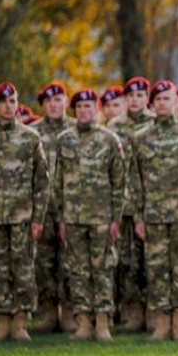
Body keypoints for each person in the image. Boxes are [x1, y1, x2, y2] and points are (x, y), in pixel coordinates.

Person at [128, 80, 178, 341]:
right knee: (157, 269)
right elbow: (135, 182)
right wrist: (138, 217)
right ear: (152, 104)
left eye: (167, 99)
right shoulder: (140, 138)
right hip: (153, 216)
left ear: (177, 102)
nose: (162, 103)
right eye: (158, 99)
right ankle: (162, 323)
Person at [53, 89, 125, 342]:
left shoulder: (109, 139)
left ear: (97, 109)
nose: (84, 110)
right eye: (80, 106)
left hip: (102, 217)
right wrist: (60, 217)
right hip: (73, 217)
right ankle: (83, 322)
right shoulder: (64, 140)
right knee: (77, 270)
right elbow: (57, 182)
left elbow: (119, 182)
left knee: (103, 268)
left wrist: (116, 217)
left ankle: (103, 322)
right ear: (74, 111)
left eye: (89, 106)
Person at [0, 83, 49, 342]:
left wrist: (38, 218)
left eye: (12, 101)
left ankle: (21, 323)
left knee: (23, 269)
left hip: (22, 217)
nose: (8, 106)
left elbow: (42, 182)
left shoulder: (30, 138)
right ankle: (2, 321)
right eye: (3, 102)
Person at [108, 76, 154, 332]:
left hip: (153, 205)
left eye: (140, 96)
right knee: (127, 261)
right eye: (131, 96)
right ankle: (132, 312)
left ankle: (153, 312)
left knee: (151, 260)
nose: (135, 100)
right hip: (123, 206)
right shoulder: (115, 126)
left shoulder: (155, 124)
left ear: (147, 98)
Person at [30, 81, 76, 333]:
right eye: (48, 101)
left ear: (66, 102)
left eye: (58, 99)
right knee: (44, 262)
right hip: (42, 208)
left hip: (72, 206)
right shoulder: (32, 132)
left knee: (70, 260)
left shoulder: (76, 129)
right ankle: (49, 312)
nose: (54, 105)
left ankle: (69, 311)